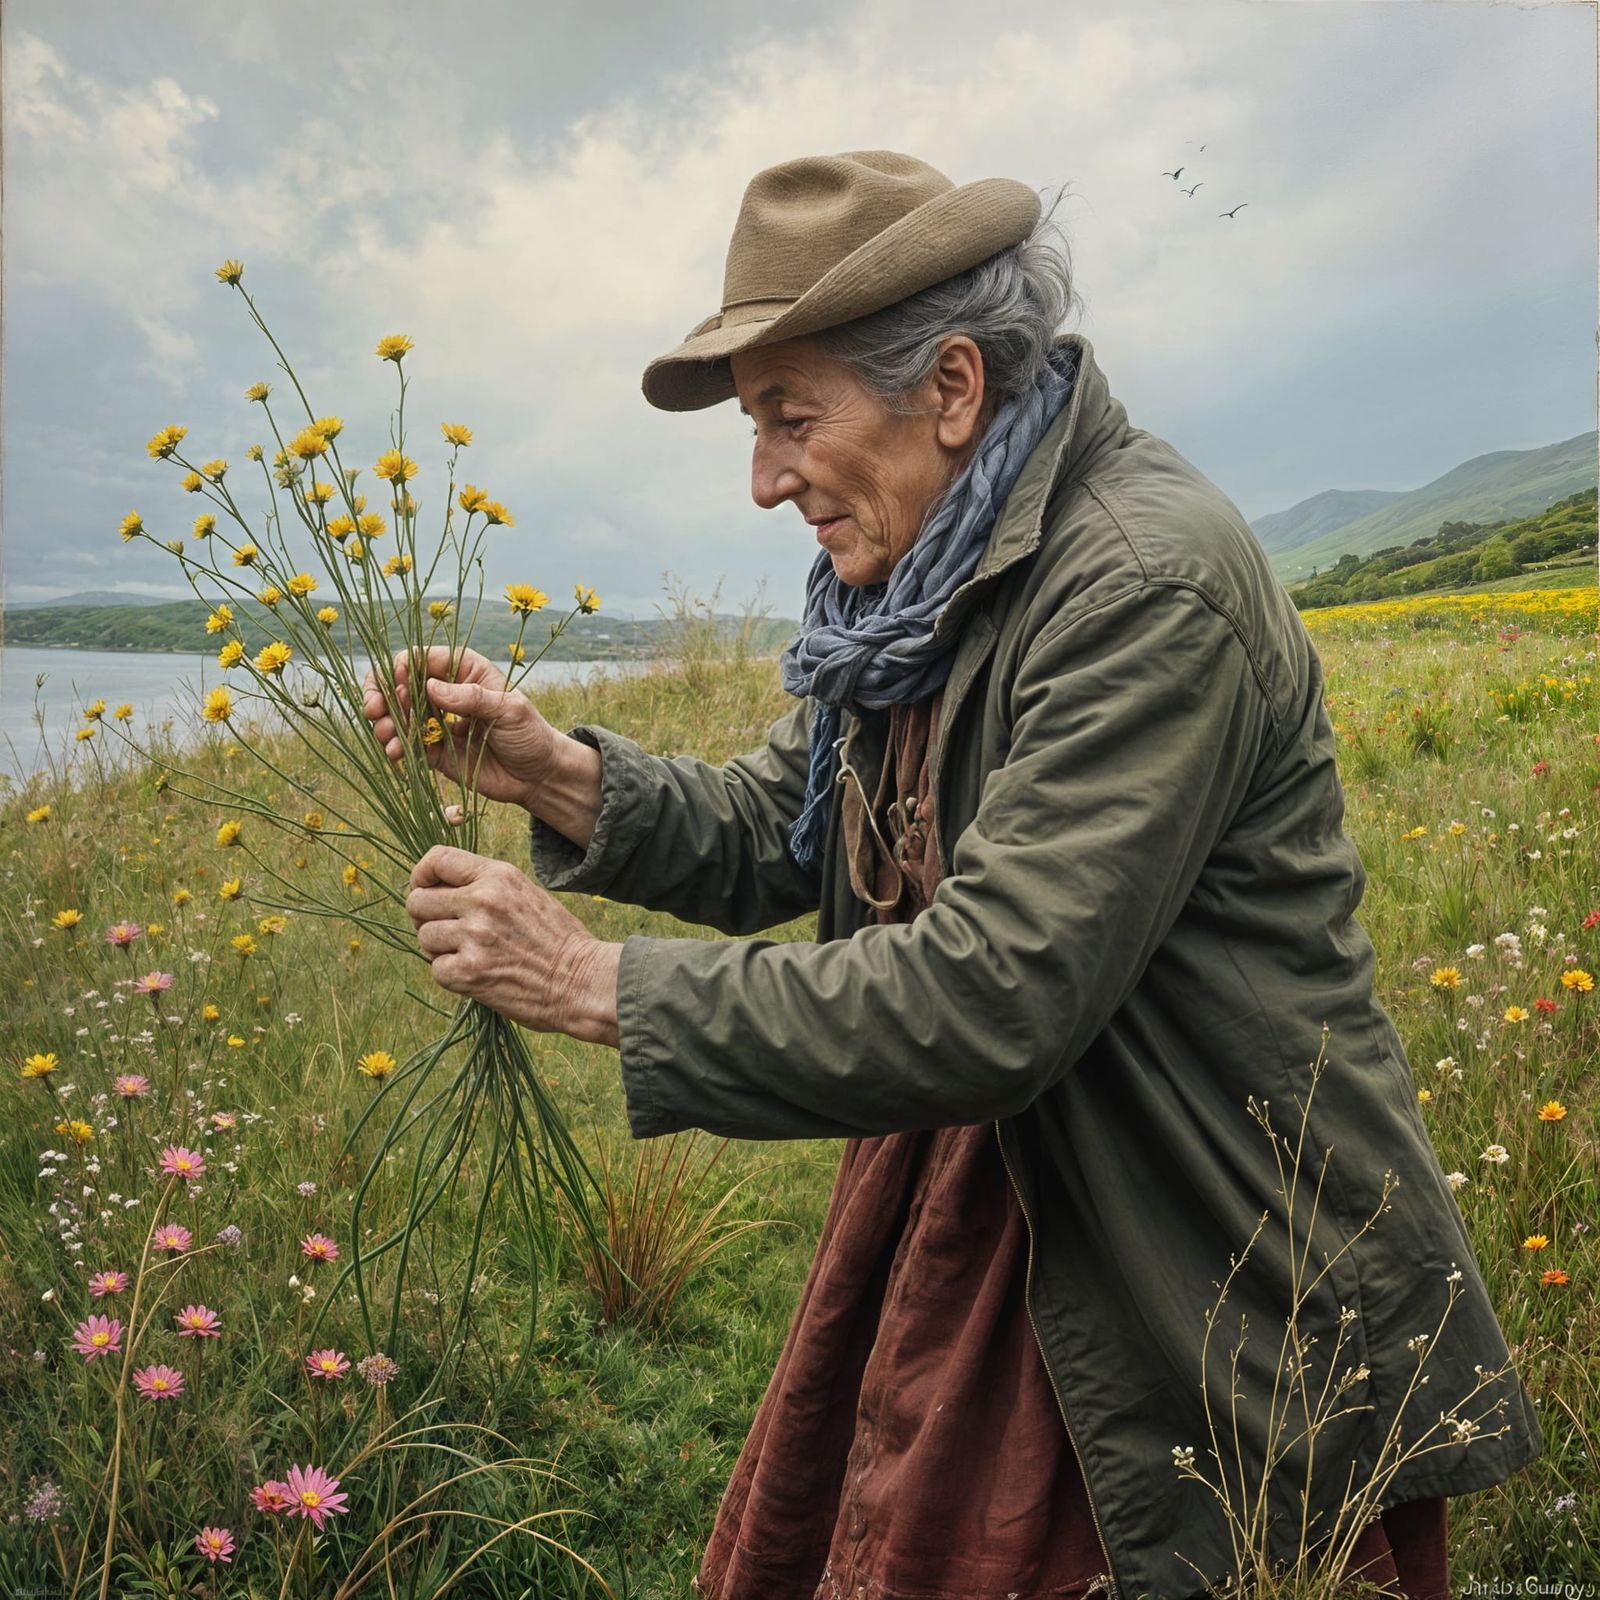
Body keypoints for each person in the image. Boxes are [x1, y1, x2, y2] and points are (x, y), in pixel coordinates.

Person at [364, 151, 1540, 1599]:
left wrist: (587, 981)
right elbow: (788, 824)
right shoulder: (915, 584)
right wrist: (559, 772)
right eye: (755, 429)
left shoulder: (1139, 586)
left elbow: (996, 997)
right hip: (983, 1204)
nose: (762, 480)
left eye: (791, 419)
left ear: (955, 389)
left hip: (1188, 1260)